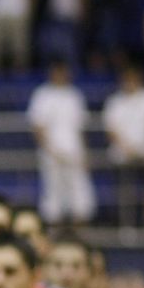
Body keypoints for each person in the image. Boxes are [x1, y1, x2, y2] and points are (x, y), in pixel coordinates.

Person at [28, 59, 96, 225]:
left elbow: (80, 128)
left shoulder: (74, 95)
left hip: (74, 151)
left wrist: (84, 153)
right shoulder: (42, 95)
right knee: (53, 193)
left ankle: (80, 235)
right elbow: (38, 127)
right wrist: (50, 150)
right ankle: (53, 234)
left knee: (80, 191)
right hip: (51, 153)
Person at [103, 63, 144, 226]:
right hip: (123, 156)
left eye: (133, 79)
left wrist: (142, 148)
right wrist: (127, 148)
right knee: (126, 194)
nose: (130, 82)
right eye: (127, 79)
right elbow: (111, 130)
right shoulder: (115, 102)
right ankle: (126, 226)